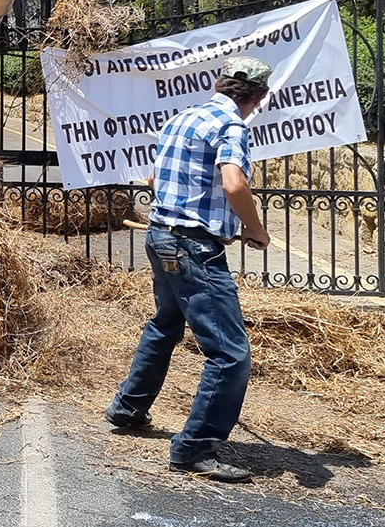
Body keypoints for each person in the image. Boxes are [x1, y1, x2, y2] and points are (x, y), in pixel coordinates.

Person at [105, 56, 273, 483]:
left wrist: (207, 215)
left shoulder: (182, 119)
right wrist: (255, 230)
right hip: (193, 248)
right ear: (258, 97)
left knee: (165, 326)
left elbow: (153, 181)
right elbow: (234, 183)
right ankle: (195, 448)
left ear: (219, 83)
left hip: (161, 235)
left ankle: (128, 408)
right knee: (230, 352)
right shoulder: (232, 126)